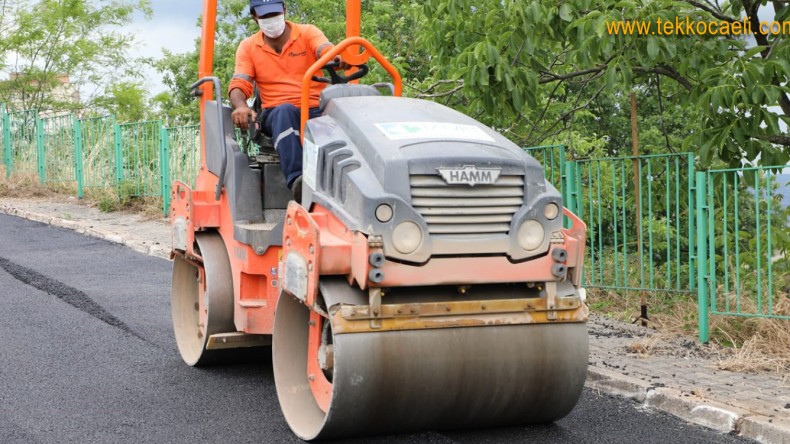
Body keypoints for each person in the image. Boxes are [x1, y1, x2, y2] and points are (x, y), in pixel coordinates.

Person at [228, 0, 337, 200]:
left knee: (344, 111)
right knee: (285, 111)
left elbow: (325, 49)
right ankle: (299, 182)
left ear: (284, 11)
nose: (271, 20)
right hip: (276, 113)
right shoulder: (249, 47)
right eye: (265, 17)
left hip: (315, 108)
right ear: (255, 17)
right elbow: (239, 84)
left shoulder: (307, 33)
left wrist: (335, 58)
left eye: (275, 14)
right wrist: (241, 106)